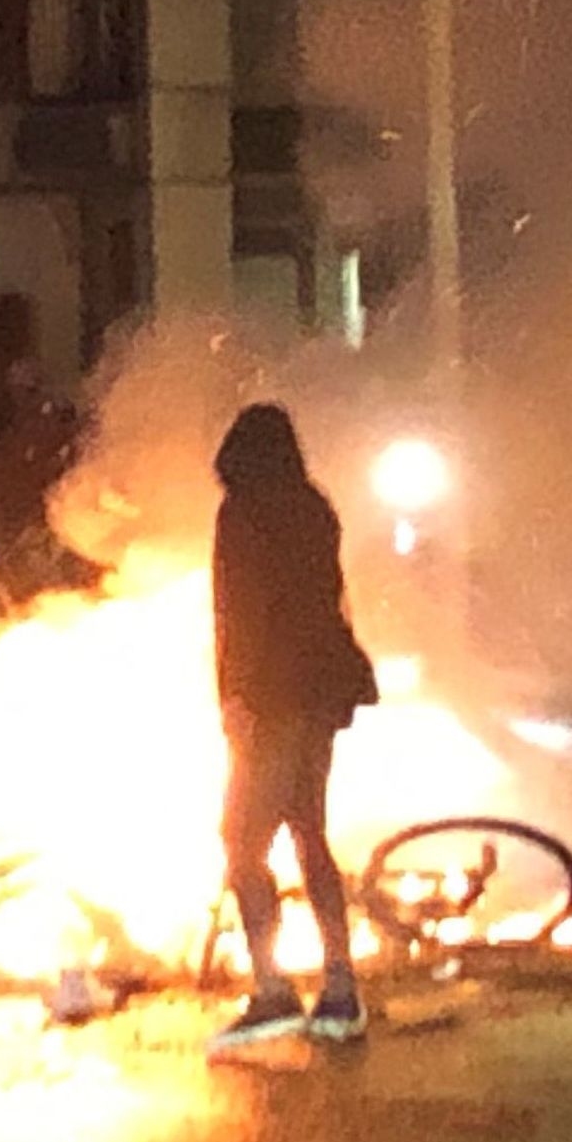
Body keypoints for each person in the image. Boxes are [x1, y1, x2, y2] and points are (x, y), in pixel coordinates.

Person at [208, 403, 379, 1054]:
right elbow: (326, 598)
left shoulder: (242, 512)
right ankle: (340, 985)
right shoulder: (314, 506)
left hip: (271, 697)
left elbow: (238, 612)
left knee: (242, 840)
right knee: (309, 830)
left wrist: (234, 696)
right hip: (319, 690)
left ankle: (272, 987)